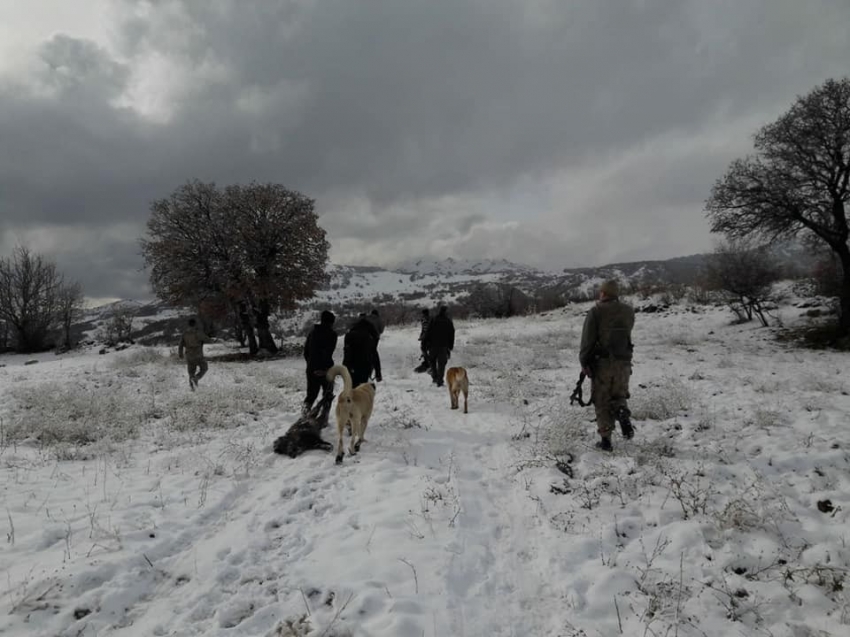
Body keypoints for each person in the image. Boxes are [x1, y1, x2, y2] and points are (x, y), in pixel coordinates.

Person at [579, 279, 635, 451]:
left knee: (602, 400)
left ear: (603, 293)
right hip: (624, 363)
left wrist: (584, 361)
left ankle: (606, 441)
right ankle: (622, 412)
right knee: (619, 395)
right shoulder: (628, 311)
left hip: (602, 364)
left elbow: (587, 341)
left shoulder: (595, 312)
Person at [302, 310, 338, 415]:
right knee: (328, 394)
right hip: (326, 370)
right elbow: (328, 352)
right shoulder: (332, 335)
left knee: (311, 395)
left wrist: (311, 365)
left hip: (311, 369)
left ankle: (305, 412)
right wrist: (324, 369)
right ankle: (324, 416)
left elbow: (306, 352)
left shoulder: (312, 333)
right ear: (331, 322)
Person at [343, 314, 381, 387]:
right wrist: (378, 372)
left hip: (352, 366)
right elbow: (374, 354)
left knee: (352, 388)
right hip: (365, 366)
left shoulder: (350, 335)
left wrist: (345, 368)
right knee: (362, 390)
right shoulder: (369, 337)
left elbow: (346, 353)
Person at [178, 317, 212, 391]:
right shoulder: (198, 332)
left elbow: (180, 344)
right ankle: (196, 378)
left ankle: (192, 387)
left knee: (191, 371)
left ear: (189, 324)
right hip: (198, 354)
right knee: (204, 368)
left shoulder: (184, 333)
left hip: (188, 354)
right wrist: (210, 338)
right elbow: (207, 339)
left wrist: (180, 354)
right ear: (195, 324)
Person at [425, 305, 454, 387]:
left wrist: (426, 344)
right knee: (441, 364)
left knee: (432, 362)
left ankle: (435, 377)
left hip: (432, 346)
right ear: (446, 312)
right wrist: (450, 346)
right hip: (443, 346)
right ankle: (439, 381)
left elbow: (428, 332)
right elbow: (452, 334)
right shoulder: (448, 321)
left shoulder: (433, 320)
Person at [414, 308, 431, 373]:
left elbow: (426, 330)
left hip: (427, 338)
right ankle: (427, 362)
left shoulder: (426, 319)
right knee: (425, 349)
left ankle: (428, 363)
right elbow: (423, 329)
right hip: (426, 337)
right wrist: (421, 336)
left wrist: (422, 336)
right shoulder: (426, 319)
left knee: (424, 348)